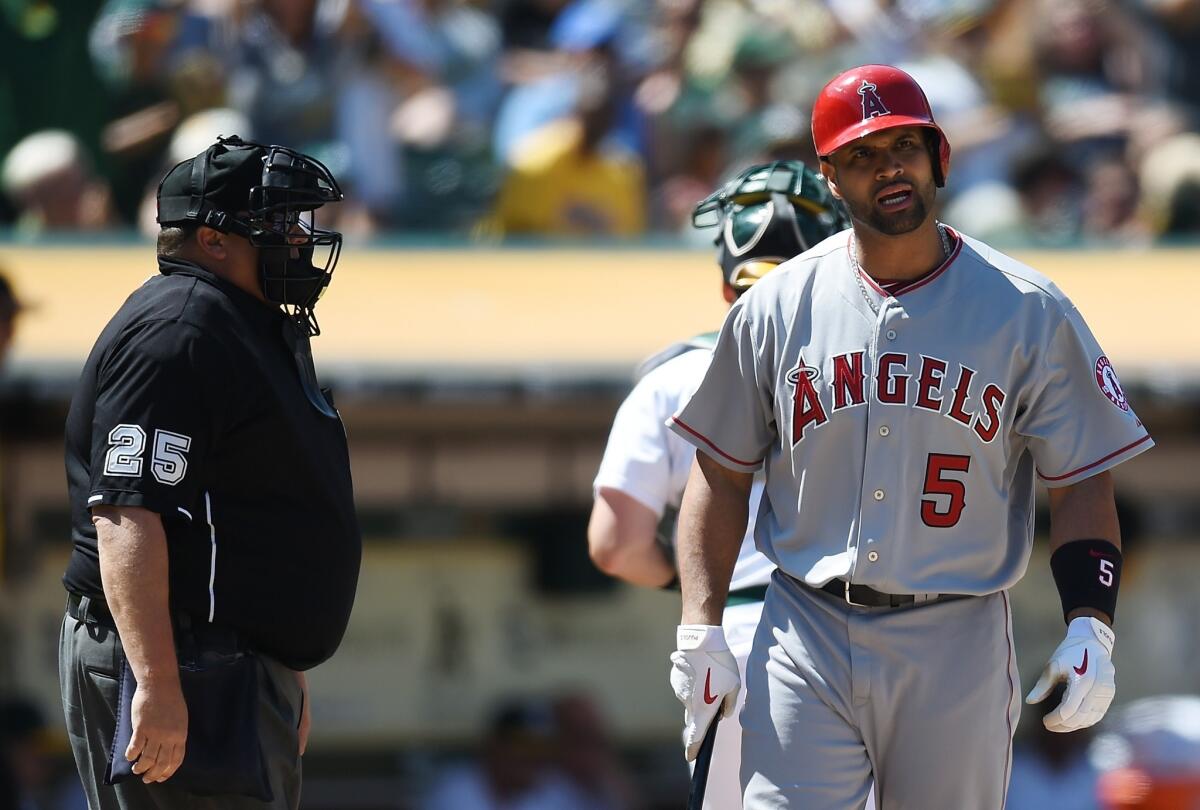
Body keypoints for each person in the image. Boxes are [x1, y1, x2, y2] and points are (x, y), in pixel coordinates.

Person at [666, 64, 1153, 809]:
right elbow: (720, 471)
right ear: (829, 176)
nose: (889, 168)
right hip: (806, 627)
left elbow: (1082, 474)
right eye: (862, 155)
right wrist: (699, 628)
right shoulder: (775, 306)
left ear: (939, 157)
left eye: (905, 146)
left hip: (955, 634)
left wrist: (1092, 624)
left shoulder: (1027, 309)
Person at [60, 135, 362, 809]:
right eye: (279, 224)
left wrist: (286, 659)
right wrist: (157, 683)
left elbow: (255, 507)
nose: (298, 240)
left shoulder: (239, 321)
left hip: (232, 665)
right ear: (212, 239)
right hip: (186, 666)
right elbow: (127, 513)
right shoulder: (181, 329)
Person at [589, 160, 848, 809]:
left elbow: (614, 544)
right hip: (875, 632)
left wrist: (693, 576)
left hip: (733, 631)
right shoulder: (880, 367)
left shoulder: (672, 378)